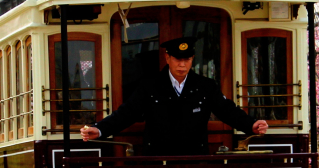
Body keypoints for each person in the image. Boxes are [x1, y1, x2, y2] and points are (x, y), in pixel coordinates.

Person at [81, 37, 269, 155]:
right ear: (167, 58)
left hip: (195, 158)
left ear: (192, 60)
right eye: (178, 59)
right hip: (157, 158)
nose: (182, 64)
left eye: (186, 59)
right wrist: (99, 130)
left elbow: (228, 111)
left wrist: (251, 125)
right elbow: (126, 114)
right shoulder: (150, 85)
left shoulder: (205, 86)